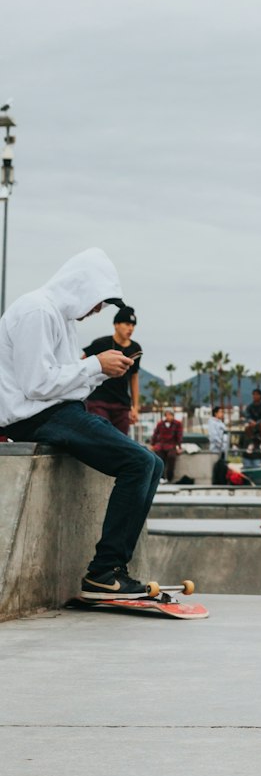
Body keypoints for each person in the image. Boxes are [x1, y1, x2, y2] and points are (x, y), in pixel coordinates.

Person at [0, 249, 163, 599]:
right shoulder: (37, 310)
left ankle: (114, 569)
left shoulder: (62, 319)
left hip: (59, 411)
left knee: (154, 463)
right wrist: (93, 366)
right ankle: (103, 572)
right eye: (98, 302)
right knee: (139, 462)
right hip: (35, 417)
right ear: (81, 288)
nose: (98, 311)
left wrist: (101, 372)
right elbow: (36, 384)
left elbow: (64, 379)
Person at [83, 303, 141, 436]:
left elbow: (134, 377)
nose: (130, 328)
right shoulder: (101, 343)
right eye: (127, 324)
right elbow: (82, 365)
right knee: (101, 437)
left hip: (121, 404)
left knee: (120, 442)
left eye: (133, 325)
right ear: (116, 324)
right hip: (98, 401)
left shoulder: (136, 348)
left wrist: (135, 407)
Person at [149, 406, 184, 482]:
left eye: (169, 414)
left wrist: (179, 446)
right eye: (166, 415)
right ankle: (161, 477)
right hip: (161, 445)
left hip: (171, 445)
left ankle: (169, 477)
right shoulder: (160, 424)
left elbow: (179, 436)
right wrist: (152, 444)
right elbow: (155, 434)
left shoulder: (177, 424)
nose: (168, 416)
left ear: (173, 415)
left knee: (171, 457)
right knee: (159, 458)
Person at [207, 404, 230, 485]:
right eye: (220, 412)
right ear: (215, 413)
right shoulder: (212, 423)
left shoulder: (221, 423)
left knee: (222, 465)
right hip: (216, 448)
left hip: (223, 449)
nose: (222, 414)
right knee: (216, 466)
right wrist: (219, 444)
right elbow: (214, 435)